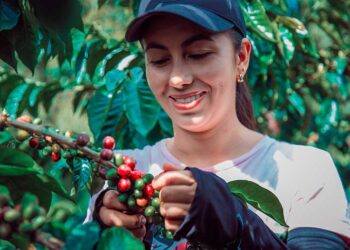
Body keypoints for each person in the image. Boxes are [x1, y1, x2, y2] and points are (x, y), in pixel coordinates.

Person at [85, 0, 350, 249]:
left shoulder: (305, 172)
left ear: (241, 58)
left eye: (199, 54)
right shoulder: (121, 174)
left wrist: (234, 221)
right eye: (159, 60)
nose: (178, 79)